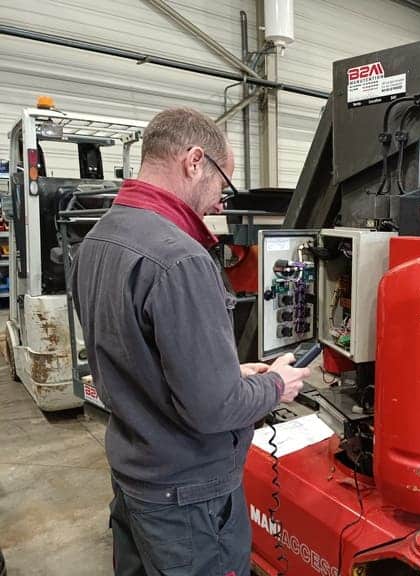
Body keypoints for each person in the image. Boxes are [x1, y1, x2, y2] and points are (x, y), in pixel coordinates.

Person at [72, 107, 310, 576]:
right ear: (194, 161)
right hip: (188, 497)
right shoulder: (181, 259)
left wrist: (229, 371)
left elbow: (131, 354)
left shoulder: (97, 239)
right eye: (223, 182)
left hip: (135, 472)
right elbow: (214, 409)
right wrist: (274, 386)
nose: (221, 202)